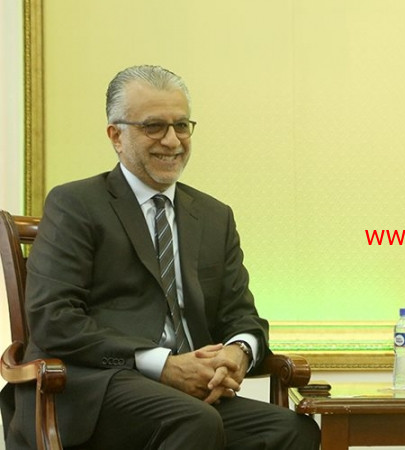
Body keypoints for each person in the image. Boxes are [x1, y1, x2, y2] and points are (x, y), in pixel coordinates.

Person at [1, 65, 320, 449]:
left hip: (189, 396)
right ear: (116, 136)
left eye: (181, 126)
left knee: (293, 431)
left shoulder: (214, 216)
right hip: (95, 389)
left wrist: (237, 352)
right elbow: (54, 320)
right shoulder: (76, 205)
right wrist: (163, 364)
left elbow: (242, 316)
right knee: (194, 420)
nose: (172, 141)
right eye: (154, 126)